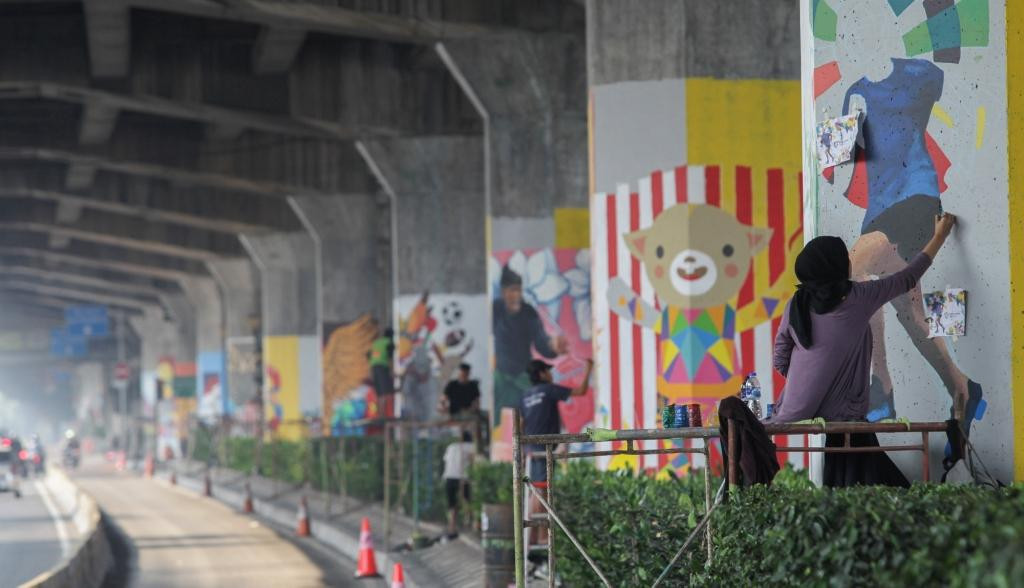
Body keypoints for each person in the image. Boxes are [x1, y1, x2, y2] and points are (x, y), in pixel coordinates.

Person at [771, 213, 957, 487]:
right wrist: (940, 235)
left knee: (852, 475)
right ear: (834, 266)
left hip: (802, 407)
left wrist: (811, 381)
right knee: (871, 478)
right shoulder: (859, 297)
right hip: (847, 414)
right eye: (844, 258)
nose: (849, 261)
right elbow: (908, 277)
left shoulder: (797, 304)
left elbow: (780, 356)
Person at [493, 266, 569, 425]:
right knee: (498, 422)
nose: (517, 295)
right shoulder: (495, 310)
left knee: (542, 410)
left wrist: (552, 345)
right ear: (504, 292)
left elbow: (541, 340)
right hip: (501, 376)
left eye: (519, 290)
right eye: (513, 290)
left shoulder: (528, 312)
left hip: (524, 375)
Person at [441, 431, 476, 539]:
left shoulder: (451, 446)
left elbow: (446, 460)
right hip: (463, 477)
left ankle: (452, 527)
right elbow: (474, 460)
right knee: (467, 500)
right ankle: (470, 522)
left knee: (451, 504)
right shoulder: (471, 446)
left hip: (449, 476)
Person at [369, 327, 395, 396]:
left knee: (380, 391)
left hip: (374, 366)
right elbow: (390, 357)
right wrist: (392, 370)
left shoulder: (376, 342)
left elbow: (369, 355)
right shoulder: (389, 342)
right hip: (382, 366)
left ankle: (381, 400)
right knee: (385, 390)